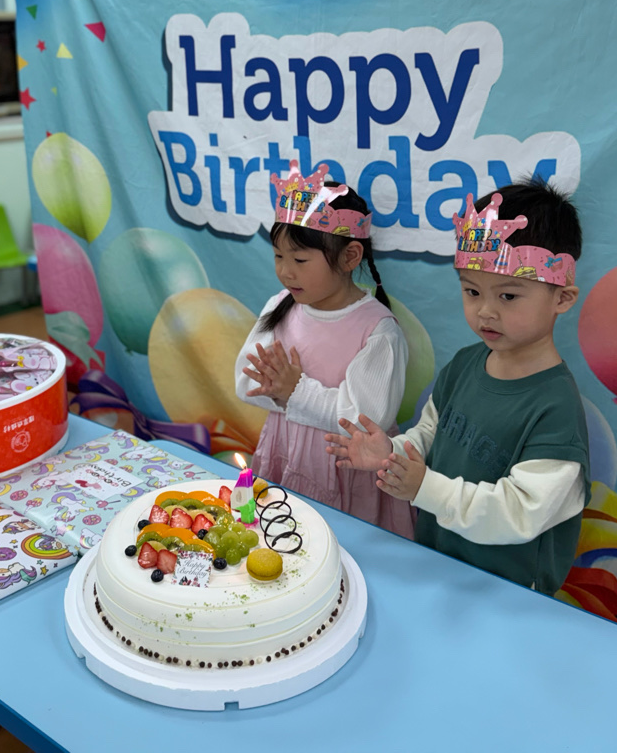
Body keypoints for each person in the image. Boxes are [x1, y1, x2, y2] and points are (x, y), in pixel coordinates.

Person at [325, 179, 590, 594]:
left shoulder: (556, 410)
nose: (485, 311)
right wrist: (392, 452)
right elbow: (431, 433)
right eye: (471, 291)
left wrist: (424, 488)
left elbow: (519, 512)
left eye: (508, 296)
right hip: (437, 563)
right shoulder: (466, 362)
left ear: (562, 298)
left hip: (510, 593)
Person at [234, 160, 414, 538]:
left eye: (299, 259)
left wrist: (293, 391)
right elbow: (245, 382)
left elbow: (364, 422)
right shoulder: (280, 306)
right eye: (279, 256)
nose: (285, 271)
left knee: (345, 552)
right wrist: (283, 392)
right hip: (287, 456)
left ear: (350, 257)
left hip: (348, 470)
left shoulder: (378, 330)